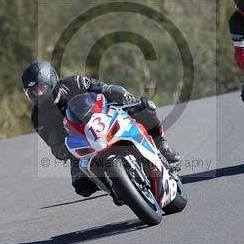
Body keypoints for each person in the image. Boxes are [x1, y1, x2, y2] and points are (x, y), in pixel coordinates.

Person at [21, 61, 180, 199]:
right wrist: (63, 151)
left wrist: (126, 98)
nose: (39, 94)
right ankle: (116, 186)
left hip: (104, 118)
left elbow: (105, 89)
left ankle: (161, 144)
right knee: (81, 186)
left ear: (53, 81)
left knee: (145, 108)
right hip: (80, 142)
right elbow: (53, 143)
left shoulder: (75, 82)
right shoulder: (38, 116)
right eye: (33, 92)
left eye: (42, 88)